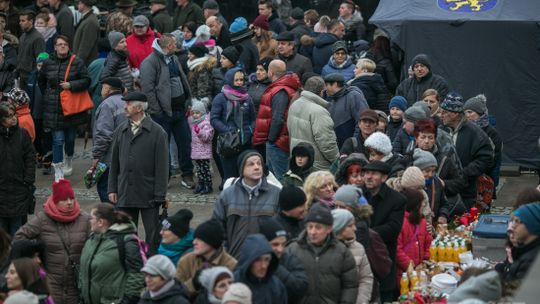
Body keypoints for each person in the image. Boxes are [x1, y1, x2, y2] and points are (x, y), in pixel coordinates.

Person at [107, 91, 169, 254]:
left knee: (153, 235)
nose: (124, 107)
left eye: (128, 104)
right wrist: (112, 188)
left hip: (148, 193)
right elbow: (114, 163)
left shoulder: (158, 132)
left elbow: (163, 167)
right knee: (127, 234)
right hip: (125, 191)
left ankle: (151, 265)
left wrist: (160, 194)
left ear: (139, 108)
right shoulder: (120, 130)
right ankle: (132, 261)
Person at [15, 179, 90, 304]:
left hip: (76, 285)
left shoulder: (85, 219)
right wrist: (35, 258)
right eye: (64, 199)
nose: (70, 202)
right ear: (56, 201)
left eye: (72, 198)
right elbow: (19, 238)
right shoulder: (42, 219)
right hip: (51, 285)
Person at [140, 33, 195, 188]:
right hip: (162, 114)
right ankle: (164, 177)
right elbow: (148, 90)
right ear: (168, 46)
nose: (177, 46)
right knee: (162, 148)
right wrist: (157, 111)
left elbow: (182, 78)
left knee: (185, 143)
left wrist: (188, 99)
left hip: (179, 110)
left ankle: (187, 174)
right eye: (175, 44)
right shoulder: (149, 63)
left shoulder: (173, 58)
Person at [39, 35, 90, 179]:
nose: (62, 46)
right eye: (59, 44)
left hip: (71, 110)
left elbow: (87, 80)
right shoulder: (48, 63)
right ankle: (58, 170)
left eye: (65, 44)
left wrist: (71, 85)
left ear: (68, 46)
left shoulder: (77, 62)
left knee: (70, 139)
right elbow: (41, 81)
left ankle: (69, 157)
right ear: (54, 47)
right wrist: (49, 96)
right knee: (58, 140)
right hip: (54, 109)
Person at [212, 150, 281, 257]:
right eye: (251, 164)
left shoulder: (276, 194)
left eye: (259, 163)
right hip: (235, 259)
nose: (257, 167)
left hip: (266, 260)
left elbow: (283, 228)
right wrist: (225, 256)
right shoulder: (227, 195)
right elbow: (217, 229)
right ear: (241, 168)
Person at [287, 203, 359, 303]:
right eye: (310, 227)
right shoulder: (293, 249)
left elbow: (350, 286)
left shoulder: (341, 251)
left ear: (329, 229)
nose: (313, 232)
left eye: (318, 227)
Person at [79, 204, 145, 304]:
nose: (89, 221)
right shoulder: (91, 240)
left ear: (100, 222)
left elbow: (137, 275)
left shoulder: (126, 241)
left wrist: (127, 301)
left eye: (91, 218)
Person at [361, 161, 406, 302]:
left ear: (384, 178)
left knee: (384, 294)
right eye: (366, 173)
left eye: (373, 174)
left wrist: (363, 232)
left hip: (383, 257)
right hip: (361, 256)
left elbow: (392, 229)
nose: (368, 177)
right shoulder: (358, 194)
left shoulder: (397, 200)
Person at [440, 92, 494, 208]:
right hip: (445, 189)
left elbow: (486, 159)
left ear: (454, 114)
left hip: (467, 193)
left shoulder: (475, 132)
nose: (441, 115)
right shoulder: (440, 130)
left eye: (444, 112)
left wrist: (464, 173)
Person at [253, 59, 301, 180]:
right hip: (280, 140)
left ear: (271, 72)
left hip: (278, 142)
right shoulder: (283, 87)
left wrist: (271, 139)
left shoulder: (280, 90)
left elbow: (278, 118)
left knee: (279, 179)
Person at [210, 68, 256, 179]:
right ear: (230, 80)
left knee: (246, 175)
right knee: (230, 176)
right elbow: (214, 119)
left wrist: (250, 130)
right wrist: (228, 130)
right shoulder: (220, 98)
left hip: (245, 142)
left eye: (241, 80)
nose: (240, 82)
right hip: (228, 143)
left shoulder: (247, 98)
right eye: (236, 80)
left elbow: (253, 118)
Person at [287, 76, 339, 171]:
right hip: (316, 165)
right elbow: (326, 142)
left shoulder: (294, 104)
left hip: (297, 159)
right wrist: (336, 160)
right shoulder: (319, 111)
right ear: (322, 92)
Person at [176, 219, 237, 297]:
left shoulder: (232, 265)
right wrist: (193, 284)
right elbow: (175, 294)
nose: (194, 242)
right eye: (194, 238)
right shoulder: (185, 261)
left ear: (212, 241)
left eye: (199, 239)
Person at [0, 102, 35, 236]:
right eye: (9, 116)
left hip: (19, 189)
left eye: (14, 114)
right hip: (2, 191)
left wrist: (28, 180)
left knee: (17, 233)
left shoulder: (22, 134)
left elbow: (30, 158)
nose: (14, 118)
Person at [90, 77, 126, 203]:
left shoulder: (107, 105)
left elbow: (103, 134)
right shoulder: (126, 102)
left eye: (103, 87)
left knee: (107, 192)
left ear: (108, 89)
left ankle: (111, 219)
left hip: (109, 158)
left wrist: (96, 156)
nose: (101, 90)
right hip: (125, 156)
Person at [259, 218, 309, 303]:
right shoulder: (252, 262)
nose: (280, 249)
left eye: (283, 244)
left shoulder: (291, 259)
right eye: (275, 244)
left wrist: (274, 266)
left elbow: (299, 288)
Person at [464, 94, 503, 199]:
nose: (467, 115)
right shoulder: (465, 130)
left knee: (483, 210)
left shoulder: (491, 133)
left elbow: (492, 159)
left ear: (480, 113)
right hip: (468, 178)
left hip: (485, 179)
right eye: (465, 112)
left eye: (470, 112)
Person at [331, 209, 374, 304]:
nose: (355, 228)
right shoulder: (324, 250)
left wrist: (361, 301)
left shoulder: (358, 248)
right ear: (339, 228)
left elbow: (366, 278)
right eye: (350, 225)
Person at [233, 234, 288, 304]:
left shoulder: (277, 287)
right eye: (258, 260)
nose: (263, 266)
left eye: (267, 259)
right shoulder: (233, 283)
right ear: (249, 261)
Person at [496, 203, 540, 288]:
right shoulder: (525, 250)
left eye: (517, 221)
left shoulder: (530, 261)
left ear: (530, 224)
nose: (512, 226)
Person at [395, 188, 432, 286]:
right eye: (421, 203)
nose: (423, 205)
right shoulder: (400, 223)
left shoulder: (422, 222)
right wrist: (410, 266)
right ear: (415, 206)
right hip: (404, 273)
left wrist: (425, 260)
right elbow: (397, 250)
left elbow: (428, 242)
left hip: (420, 270)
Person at [324, 72, 369, 150]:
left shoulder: (354, 96)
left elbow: (363, 120)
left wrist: (354, 143)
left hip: (352, 147)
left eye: (327, 85)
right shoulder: (330, 99)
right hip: (337, 148)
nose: (325, 88)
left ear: (334, 84)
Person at [190, 100, 215, 194]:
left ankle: (208, 185)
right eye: (194, 113)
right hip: (196, 152)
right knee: (199, 170)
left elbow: (207, 137)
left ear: (202, 113)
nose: (195, 115)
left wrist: (199, 132)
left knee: (205, 170)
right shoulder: (195, 122)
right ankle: (201, 184)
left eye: (197, 113)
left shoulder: (206, 123)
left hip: (204, 152)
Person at [17, 10, 46, 90]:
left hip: (31, 77)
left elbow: (41, 59)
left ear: (31, 21)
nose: (20, 23)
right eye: (20, 20)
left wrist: (35, 75)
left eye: (23, 21)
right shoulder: (22, 36)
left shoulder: (38, 38)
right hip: (21, 75)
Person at [72, 0, 99, 65]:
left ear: (83, 4)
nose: (77, 5)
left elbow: (85, 47)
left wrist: (76, 64)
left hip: (86, 64)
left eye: (79, 3)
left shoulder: (90, 22)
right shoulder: (87, 19)